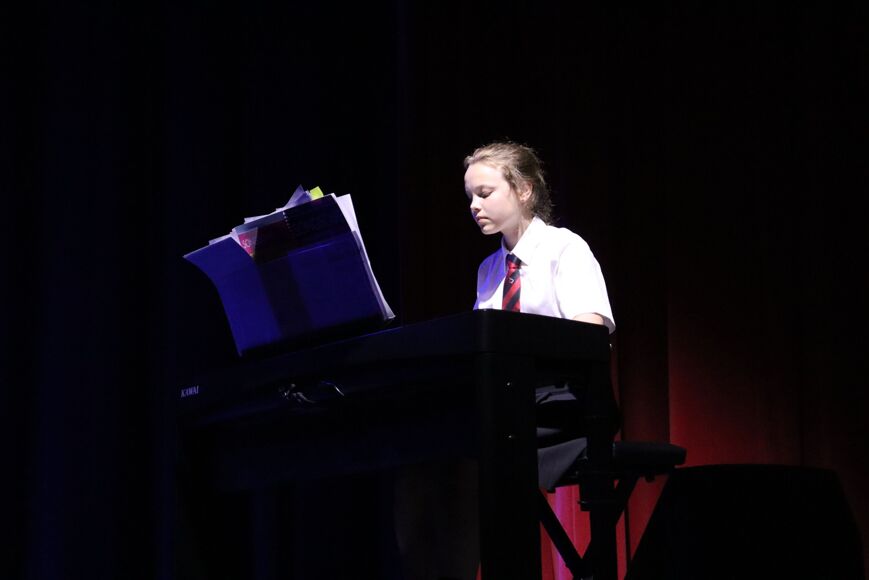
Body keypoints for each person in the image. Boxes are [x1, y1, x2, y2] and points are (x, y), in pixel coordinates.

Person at [394, 141, 616, 580]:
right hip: (507, 404)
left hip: (566, 405)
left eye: (485, 193)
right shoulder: (489, 270)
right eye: (470, 197)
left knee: (472, 442)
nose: (474, 206)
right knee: (422, 450)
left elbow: (590, 337)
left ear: (524, 190)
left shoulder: (565, 249)